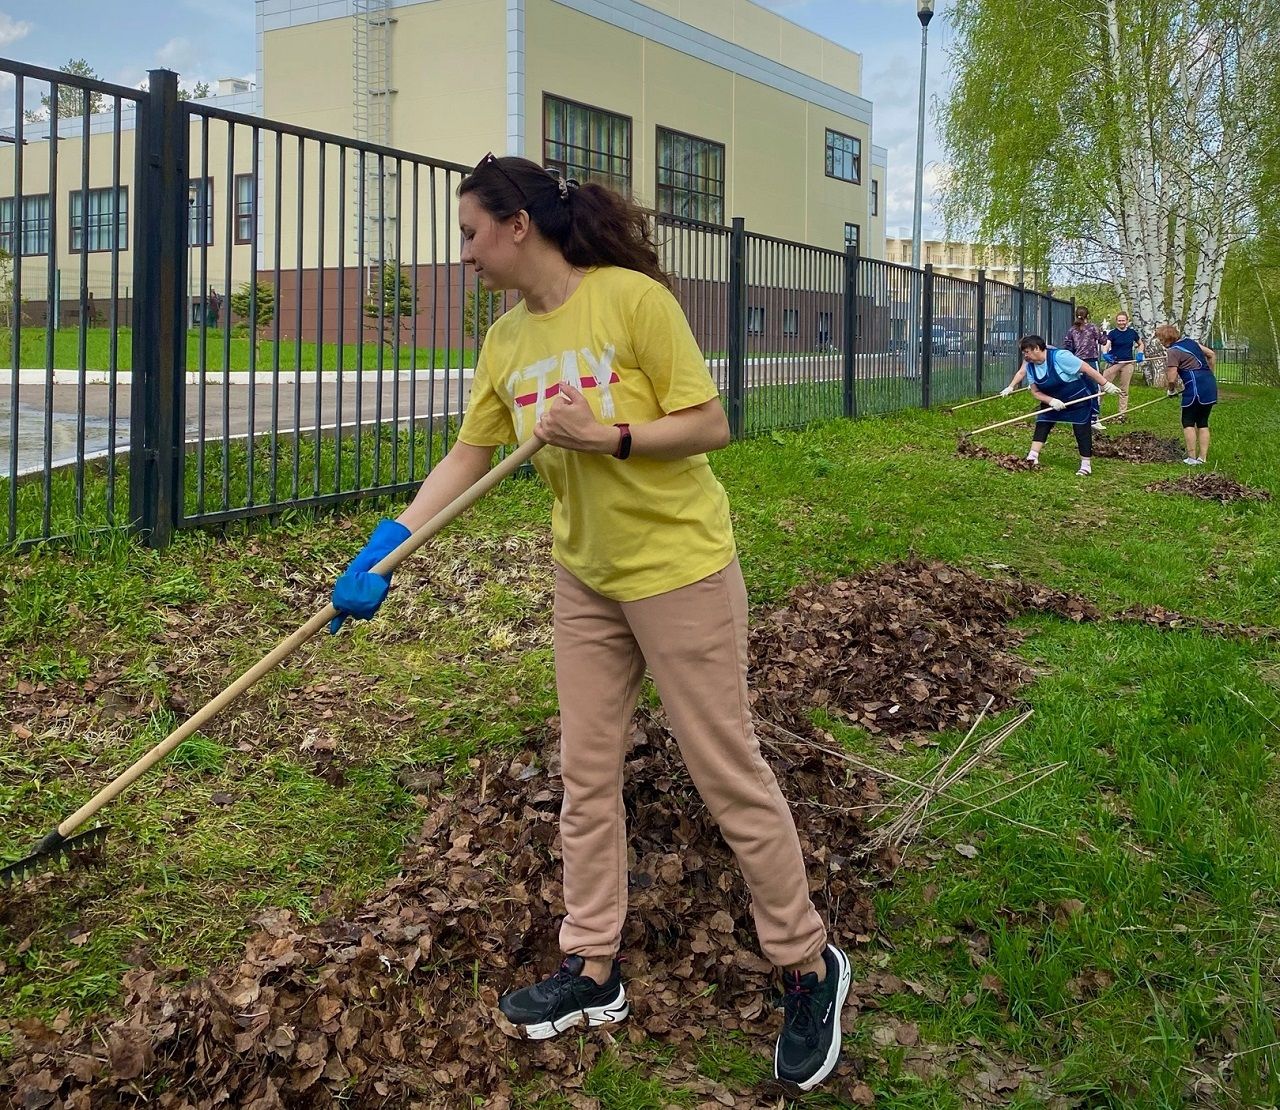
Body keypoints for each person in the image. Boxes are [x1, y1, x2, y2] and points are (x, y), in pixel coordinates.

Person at [328, 153, 850, 1092]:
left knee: (725, 770)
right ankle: (592, 967)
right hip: (587, 579)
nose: (466, 256)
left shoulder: (630, 303)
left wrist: (603, 435)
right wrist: (388, 546)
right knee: (586, 773)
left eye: (470, 235)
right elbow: (469, 454)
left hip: (681, 570)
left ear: (517, 226)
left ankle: (808, 965)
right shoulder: (504, 345)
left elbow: (709, 422)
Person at [1000, 335, 1120, 475]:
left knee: (1081, 429)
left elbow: (1086, 368)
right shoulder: (1031, 367)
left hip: (1077, 398)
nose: (1025, 356)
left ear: (1037, 348)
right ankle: (1033, 456)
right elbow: (1036, 392)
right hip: (1052, 398)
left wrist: (1105, 384)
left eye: (1027, 352)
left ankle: (1086, 465)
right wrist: (1051, 401)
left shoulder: (1060, 357)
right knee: (1043, 422)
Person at [1154, 323, 1217, 464]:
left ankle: (1191, 458)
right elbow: (1211, 355)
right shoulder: (1190, 342)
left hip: (1195, 388)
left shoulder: (1173, 351)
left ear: (1166, 339)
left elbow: (1172, 376)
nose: (1160, 342)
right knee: (1203, 422)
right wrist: (1210, 374)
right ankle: (1203, 458)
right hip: (1209, 385)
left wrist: (1171, 390)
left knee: (1188, 421)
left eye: (1160, 339)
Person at [1061, 307, 1108, 430]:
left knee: (1079, 389)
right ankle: (1094, 418)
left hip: (1076, 362)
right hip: (1091, 361)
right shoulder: (1092, 328)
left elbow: (1067, 346)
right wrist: (1104, 331)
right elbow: (1103, 341)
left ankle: (1079, 415)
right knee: (1094, 390)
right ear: (1088, 315)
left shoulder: (1071, 330)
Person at [1101, 311, 1145, 422]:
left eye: (1123, 320)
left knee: (1124, 389)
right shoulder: (1112, 333)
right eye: (1119, 320)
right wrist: (1105, 354)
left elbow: (1141, 344)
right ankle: (1095, 412)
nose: (1121, 322)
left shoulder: (1132, 333)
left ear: (1127, 321)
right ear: (1116, 321)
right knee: (1102, 386)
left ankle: (1122, 414)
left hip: (1128, 363)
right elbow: (1106, 345)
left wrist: (1140, 353)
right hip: (1114, 363)